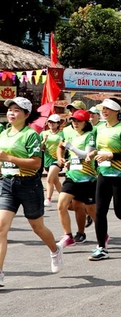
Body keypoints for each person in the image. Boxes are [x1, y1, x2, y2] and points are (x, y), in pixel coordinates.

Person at [0, 97, 63, 286]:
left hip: (29, 185)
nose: (12, 113)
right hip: (7, 185)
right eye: (10, 109)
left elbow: (36, 164)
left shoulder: (30, 135)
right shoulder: (3, 134)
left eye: (17, 110)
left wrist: (8, 157)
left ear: (27, 115)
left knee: (38, 227)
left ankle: (55, 249)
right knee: (1, 228)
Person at [91, 98, 121, 261]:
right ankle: (101, 248)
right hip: (103, 175)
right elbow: (99, 148)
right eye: (102, 109)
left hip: (120, 177)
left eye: (107, 109)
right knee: (99, 212)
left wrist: (110, 155)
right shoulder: (99, 128)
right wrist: (93, 153)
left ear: (116, 112)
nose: (104, 112)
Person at [56, 109, 97, 246]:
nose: (75, 123)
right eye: (73, 120)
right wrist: (62, 159)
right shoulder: (69, 133)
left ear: (85, 122)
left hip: (88, 177)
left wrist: (70, 147)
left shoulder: (90, 135)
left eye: (78, 121)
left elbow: (86, 154)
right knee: (61, 204)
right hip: (72, 175)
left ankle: (100, 233)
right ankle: (68, 235)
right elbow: (60, 146)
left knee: (90, 210)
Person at [41, 114, 64, 207]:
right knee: (55, 181)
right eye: (49, 122)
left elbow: (64, 146)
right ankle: (65, 197)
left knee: (49, 178)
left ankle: (48, 199)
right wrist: (43, 140)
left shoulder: (62, 134)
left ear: (58, 123)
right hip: (47, 159)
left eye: (53, 122)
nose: (51, 124)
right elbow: (40, 147)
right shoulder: (44, 133)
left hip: (58, 159)